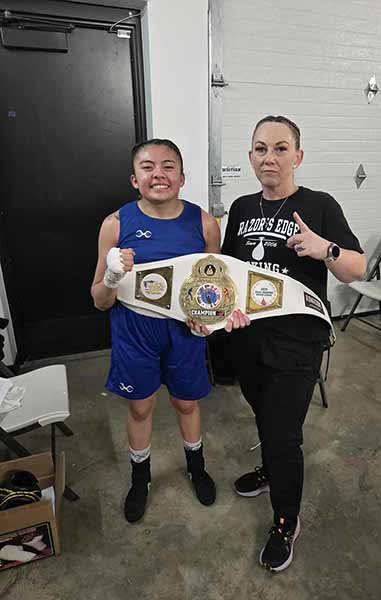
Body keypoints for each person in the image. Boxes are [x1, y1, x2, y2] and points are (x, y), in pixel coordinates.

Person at [208, 115, 366, 572]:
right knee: (263, 413)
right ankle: (270, 471)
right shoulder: (241, 208)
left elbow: (357, 269)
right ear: (250, 156)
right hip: (248, 338)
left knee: (283, 434)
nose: (269, 157)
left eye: (280, 148)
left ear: (298, 155)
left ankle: (285, 520)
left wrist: (326, 250)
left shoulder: (319, 205)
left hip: (298, 341)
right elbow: (231, 273)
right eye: (260, 148)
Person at [91, 139, 223, 523]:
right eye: (148, 167)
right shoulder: (115, 225)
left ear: (182, 177)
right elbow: (100, 300)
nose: (159, 174)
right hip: (134, 331)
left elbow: (215, 291)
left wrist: (207, 320)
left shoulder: (205, 224)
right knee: (140, 407)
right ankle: (140, 478)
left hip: (183, 332)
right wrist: (112, 276)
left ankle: (196, 467)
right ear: (135, 179)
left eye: (168, 166)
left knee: (187, 403)